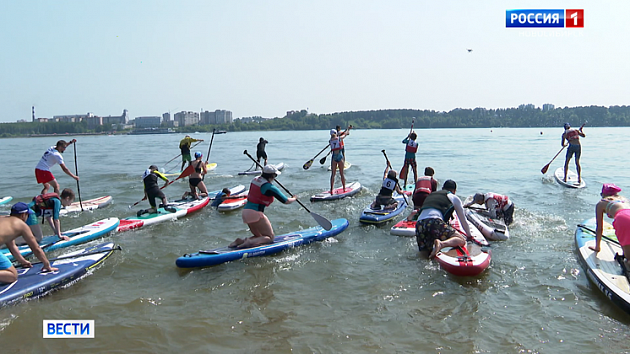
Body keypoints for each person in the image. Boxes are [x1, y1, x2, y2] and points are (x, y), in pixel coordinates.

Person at [229, 165, 297, 249]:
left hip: (245, 212)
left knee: (259, 237)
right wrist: (294, 198)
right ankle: (249, 242)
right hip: (255, 213)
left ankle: (240, 241)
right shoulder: (269, 187)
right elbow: (286, 201)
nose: (275, 177)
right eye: (275, 175)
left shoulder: (255, 179)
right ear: (272, 176)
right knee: (270, 238)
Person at [0, 203, 58, 284]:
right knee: (12, 276)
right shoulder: (22, 225)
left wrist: (23, 261)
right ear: (23, 215)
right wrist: (47, 265)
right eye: (28, 215)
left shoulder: (4, 220)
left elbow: (12, 246)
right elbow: (36, 249)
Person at [415, 180, 472, 259]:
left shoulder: (431, 195)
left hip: (419, 224)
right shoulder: (453, 197)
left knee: (425, 256)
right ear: (454, 191)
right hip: (434, 221)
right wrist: (469, 236)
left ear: (442, 188)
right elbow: (463, 220)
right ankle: (442, 244)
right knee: (461, 240)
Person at [589, 184, 630, 267]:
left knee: (628, 259)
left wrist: (597, 247)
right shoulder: (624, 199)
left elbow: (599, 228)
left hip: (622, 218)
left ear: (604, 194)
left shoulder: (601, 203)